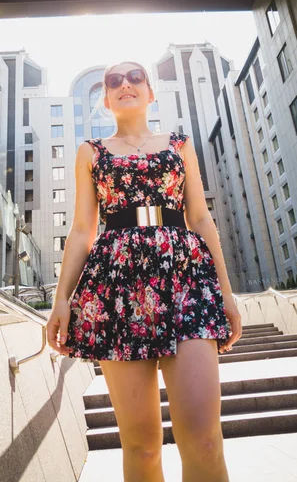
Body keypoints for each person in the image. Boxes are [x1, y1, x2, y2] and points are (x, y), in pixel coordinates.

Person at [46, 61, 242, 482]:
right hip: (116, 291)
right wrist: (61, 299)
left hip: (187, 280)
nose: (125, 84)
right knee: (143, 448)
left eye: (135, 77)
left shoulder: (179, 144)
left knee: (205, 440)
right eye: (113, 81)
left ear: (151, 93)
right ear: (106, 100)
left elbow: (202, 218)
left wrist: (226, 293)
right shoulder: (90, 153)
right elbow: (82, 229)